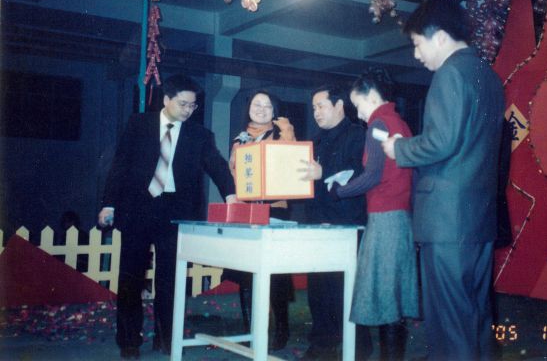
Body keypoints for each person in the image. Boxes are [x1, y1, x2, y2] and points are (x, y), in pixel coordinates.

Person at [381, 0, 505, 360]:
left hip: (447, 223)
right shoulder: (488, 76)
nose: (416, 55)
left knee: (450, 324)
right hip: (478, 219)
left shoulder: (450, 73)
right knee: (475, 317)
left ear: (439, 37)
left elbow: (442, 141)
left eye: (417, 43)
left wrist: (399, 148)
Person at [97, 74, 237, 359]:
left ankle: (166, 337)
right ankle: (129, 340)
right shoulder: (139, 124)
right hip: (138, 208)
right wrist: (109, 204)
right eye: (183, 104)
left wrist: (231, 196)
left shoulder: (200, 135)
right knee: (130, 278)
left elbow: (217, 166)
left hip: (175, 212)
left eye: (193, 106)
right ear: (166, 99)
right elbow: (120, 164)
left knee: (171, 279)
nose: (188, 110)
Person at [333, 70, 419, 360]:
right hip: (402, 217)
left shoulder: (377, 124)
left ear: (372, 96)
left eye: (358, 105)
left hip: (384, 218)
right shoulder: (399, 123)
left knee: (384, 297)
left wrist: (339, 191)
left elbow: (372, 176)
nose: (358, 113)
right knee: (394, 295)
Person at [299, 84, 371, 361]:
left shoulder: (358, 135)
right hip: (317, 222)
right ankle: (322, 344)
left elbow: (361, 174)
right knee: (318, 287)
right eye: (313, 108)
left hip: (346, 223)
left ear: (339, 105)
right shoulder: (315, 141)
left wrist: (324, 171)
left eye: (321, 106)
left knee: (347, 288)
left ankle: (359, 347)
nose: (316, 112)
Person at [223, 89, 296, 351]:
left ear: (274, 110)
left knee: (275, 273)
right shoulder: (240, 138)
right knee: (245, 272)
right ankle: (250, 329)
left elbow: (291, 158)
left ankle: (282, 329)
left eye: (267, 105)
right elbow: (233, 173)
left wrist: (286, 130)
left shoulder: (281, 132)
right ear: (249, 108)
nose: (261, 109)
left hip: (274, 209)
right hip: (247, 210)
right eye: (257, 104)